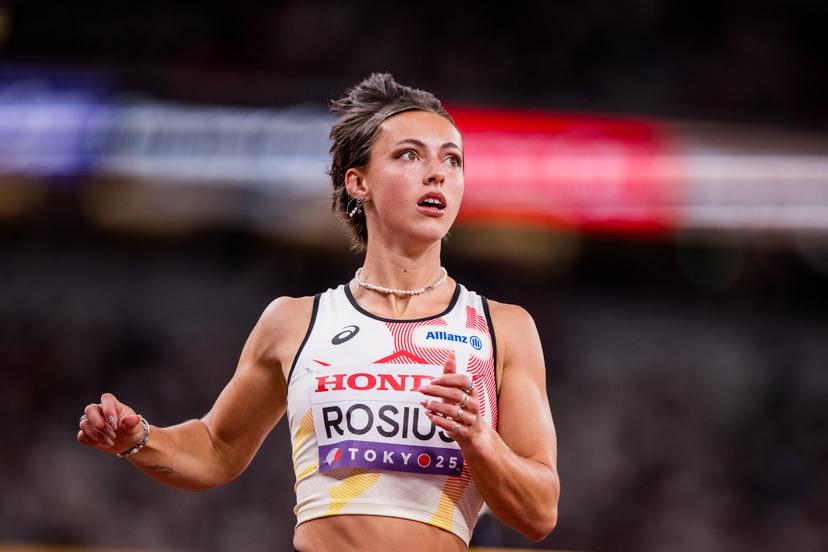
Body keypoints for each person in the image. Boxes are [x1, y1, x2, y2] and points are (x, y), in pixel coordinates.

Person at [77, 73, 560, 551]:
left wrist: (480, 439)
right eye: (409, 154)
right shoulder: (295, 323)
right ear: (358, 182)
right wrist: (138, 438)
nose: (437, 172)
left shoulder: (502, 328)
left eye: (451, 159)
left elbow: (540, 513)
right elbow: (216, 450)